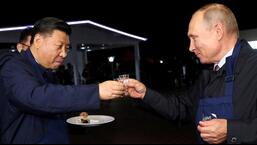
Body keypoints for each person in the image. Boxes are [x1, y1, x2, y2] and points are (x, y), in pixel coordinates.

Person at [126, 3, 257, 144]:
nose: (191, 47)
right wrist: (145, 94)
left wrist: (232, 130)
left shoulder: (253, 65)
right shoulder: (209, 74)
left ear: (218, 31)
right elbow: (181, 109)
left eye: (194, 38)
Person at [0, 17, 125, 144]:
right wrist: (96, 91)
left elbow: (52, 108)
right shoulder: (13, 65)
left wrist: (76, 115)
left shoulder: (47, 71)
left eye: (67, 48)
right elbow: (35, 96)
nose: (64, 54)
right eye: (59, 46)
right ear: (37, 41)